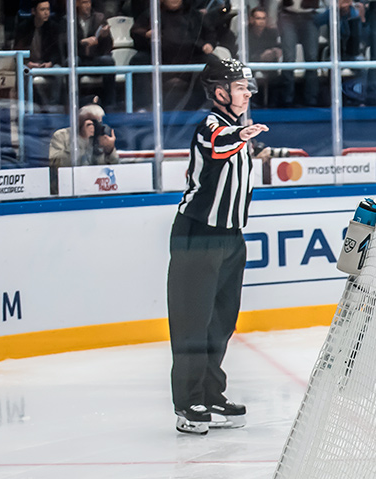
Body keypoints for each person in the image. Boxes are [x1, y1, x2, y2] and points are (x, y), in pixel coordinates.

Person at [167, 58, 269, 435]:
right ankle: (187, 402)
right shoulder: (214, 125)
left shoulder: (239, 130)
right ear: (220, 91)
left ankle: (211, 393)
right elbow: (216, 147)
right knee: (192, 322)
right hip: (198, 235)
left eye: (247, 87)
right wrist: (241, 137)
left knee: (220, 322)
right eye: (241, 87)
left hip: (230, 237)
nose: (246, 93)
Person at [131, 0, 216, 110]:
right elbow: (136, 33)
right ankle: (143, 107)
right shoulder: (151, 14)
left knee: (212, 61)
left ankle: (205, 106)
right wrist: (146, 34)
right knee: (139, 60)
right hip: (160, 58)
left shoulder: (195, 15)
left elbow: (210, 34)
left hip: (190, 58)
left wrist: (209, 44)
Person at [13, 0, 65, 110]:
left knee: (58, 70)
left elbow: (58, 52)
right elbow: (17, 51)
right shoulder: (23, 27)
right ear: (33, 11)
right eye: (42, 9)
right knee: (23, 70)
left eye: (48, 9)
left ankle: (53, 105)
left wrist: (50, 63)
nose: (46, 13)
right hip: (30, 65)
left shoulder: (53, 27)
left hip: (46, 65)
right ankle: (26, 105)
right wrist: (28, 63)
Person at [72, 0, 116, 110]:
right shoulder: (69, 19)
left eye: (89, 2)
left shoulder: (100, 18)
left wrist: (105, 36)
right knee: (72, 62)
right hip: (80, 58)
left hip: (95, 58)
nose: (87, 6)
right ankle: (73, 103)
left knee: (108, 61)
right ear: (77, 4)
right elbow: (64, 43)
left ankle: (110, 104)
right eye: (84, 3)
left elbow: (108, 46)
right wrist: (82, 43)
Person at [47, 103, 118, 167]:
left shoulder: (101, 137)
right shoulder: (61, 135)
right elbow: (55, 163)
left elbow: (116, 166)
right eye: (95, 122)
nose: (97, 126)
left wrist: (110, 150)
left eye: (100, 122)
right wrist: (83, 138)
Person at [279, 0, 321, 106]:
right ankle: (286, 98)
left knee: (311, 57)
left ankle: (311, 98)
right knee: (289, 58)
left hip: (310, 16)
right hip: (287, 15)